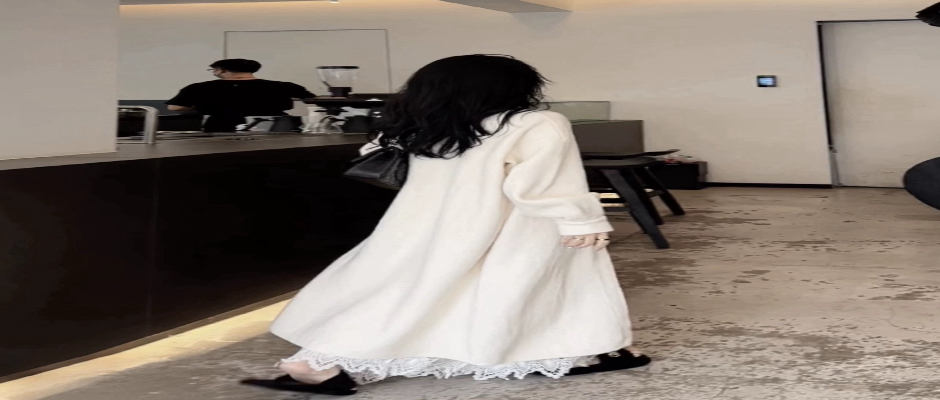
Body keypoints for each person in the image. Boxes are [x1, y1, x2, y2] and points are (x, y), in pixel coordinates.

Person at [241, 55, 649, 396]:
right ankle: (559, 350)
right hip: (514, 224)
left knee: (408, 291)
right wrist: (578, 219)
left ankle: (318, 360)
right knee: (523, 289)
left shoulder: (424, 125)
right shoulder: (534, 123)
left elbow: (376, 154)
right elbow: (539, 184)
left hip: (422, 224)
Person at [166, 59, 315, 132]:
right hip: (274, 126)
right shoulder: (284, 86)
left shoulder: (200, 87)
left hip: (221, 126)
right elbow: (311, 100)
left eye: (213, 70)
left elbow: (175, 107)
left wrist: (202, 106)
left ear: (221, 70)